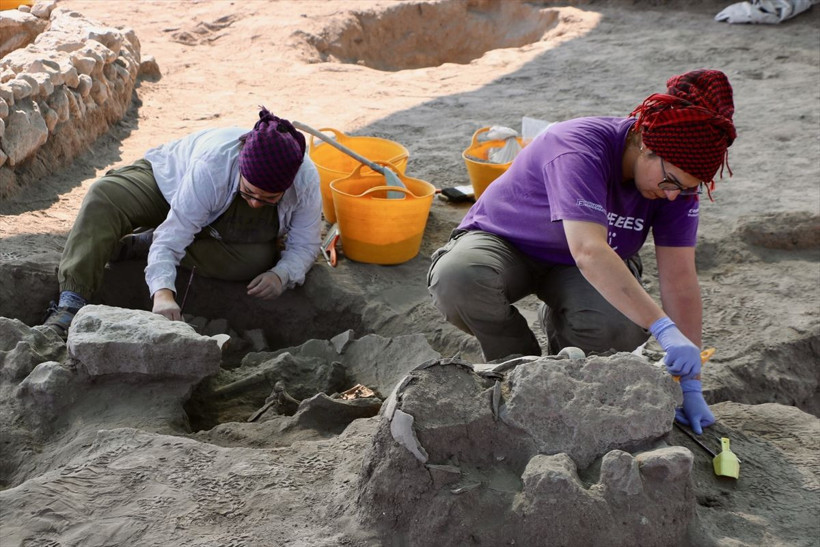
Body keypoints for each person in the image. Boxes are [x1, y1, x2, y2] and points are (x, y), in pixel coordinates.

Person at [427, 69, 737, 434]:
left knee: (617, 325)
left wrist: (691, 382)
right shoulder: (578, 145)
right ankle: (515, 366)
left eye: (687, 189)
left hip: (584, 266)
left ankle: (566, 374)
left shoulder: (675, 185)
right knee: (459, 279)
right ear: (646, 145)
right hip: (506, 244)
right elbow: (588, 249)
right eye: (671, 182)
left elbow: (680, 279)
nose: (674, 195)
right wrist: (665, 330)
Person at [41, 107, 322, 337]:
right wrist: (163, 294)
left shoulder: (305, 179)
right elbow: (173, 236)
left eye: (269, 198)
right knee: (104, 195)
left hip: (218, 225)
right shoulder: (214, 166)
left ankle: (144, 243)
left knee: (258, 260)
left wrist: (281, 275)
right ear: (240, 167)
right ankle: (72, 301)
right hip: (167, 183)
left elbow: (306, 244)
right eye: (249, 192)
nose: (255, 203)